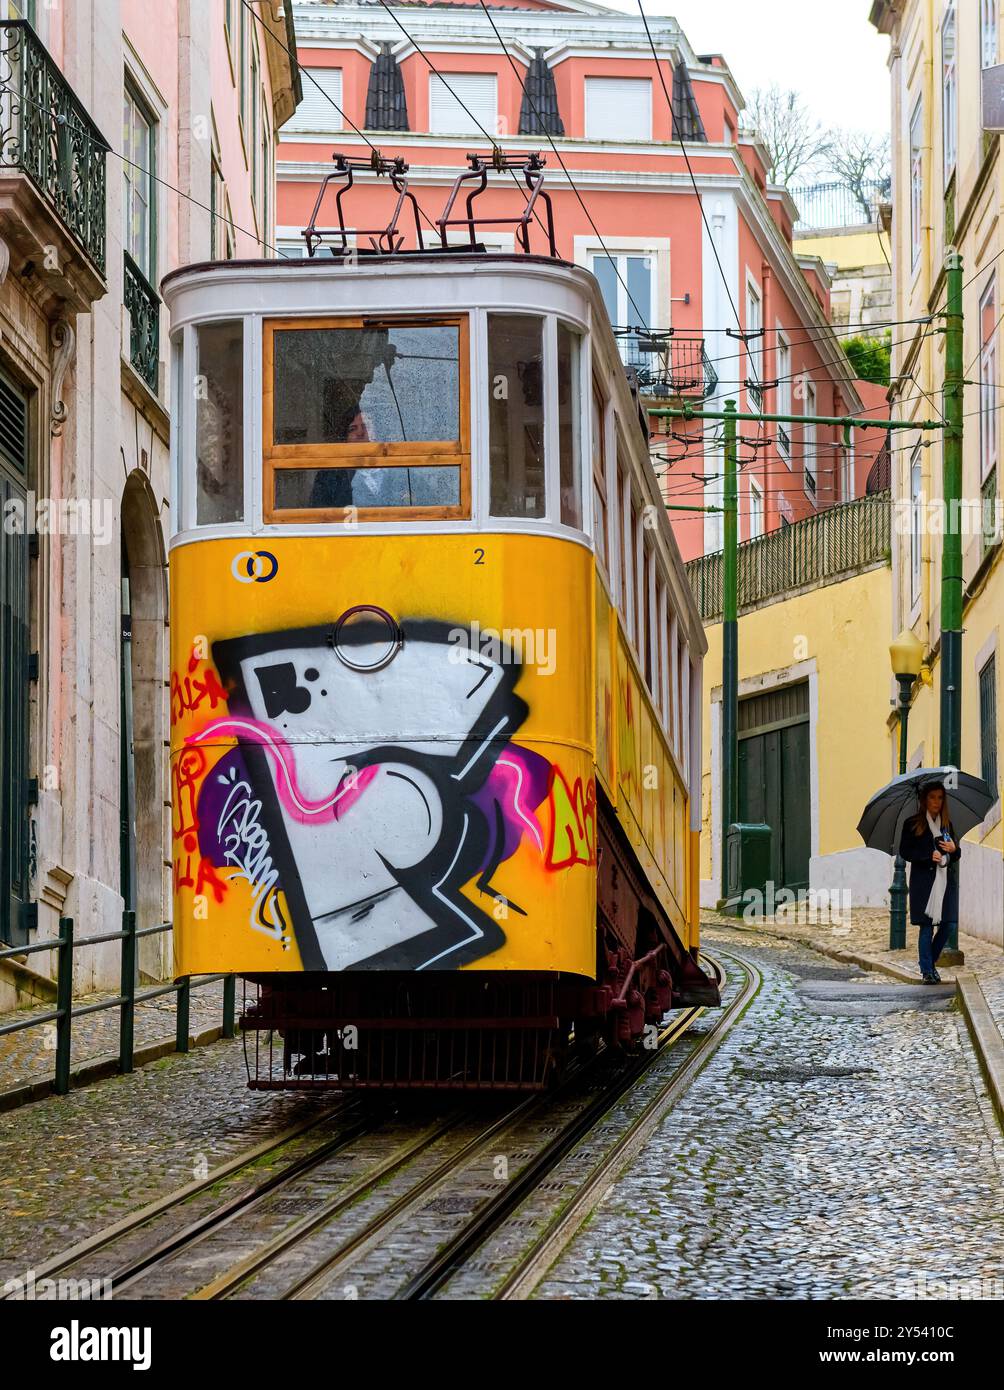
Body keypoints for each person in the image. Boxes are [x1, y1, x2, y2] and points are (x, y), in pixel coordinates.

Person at [897, 781, 961, 983]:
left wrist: (953, 851)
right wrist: (927, 854)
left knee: (949, 924)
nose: (936, 802)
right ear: (924, 800)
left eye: (940, 798)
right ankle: (927, 972)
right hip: (924, 883)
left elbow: (956, 853)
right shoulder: (912, 824)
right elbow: (905, 851)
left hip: (944, 884)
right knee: (926, 927)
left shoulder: (947, 825)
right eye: (932, 797)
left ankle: (928, 964)